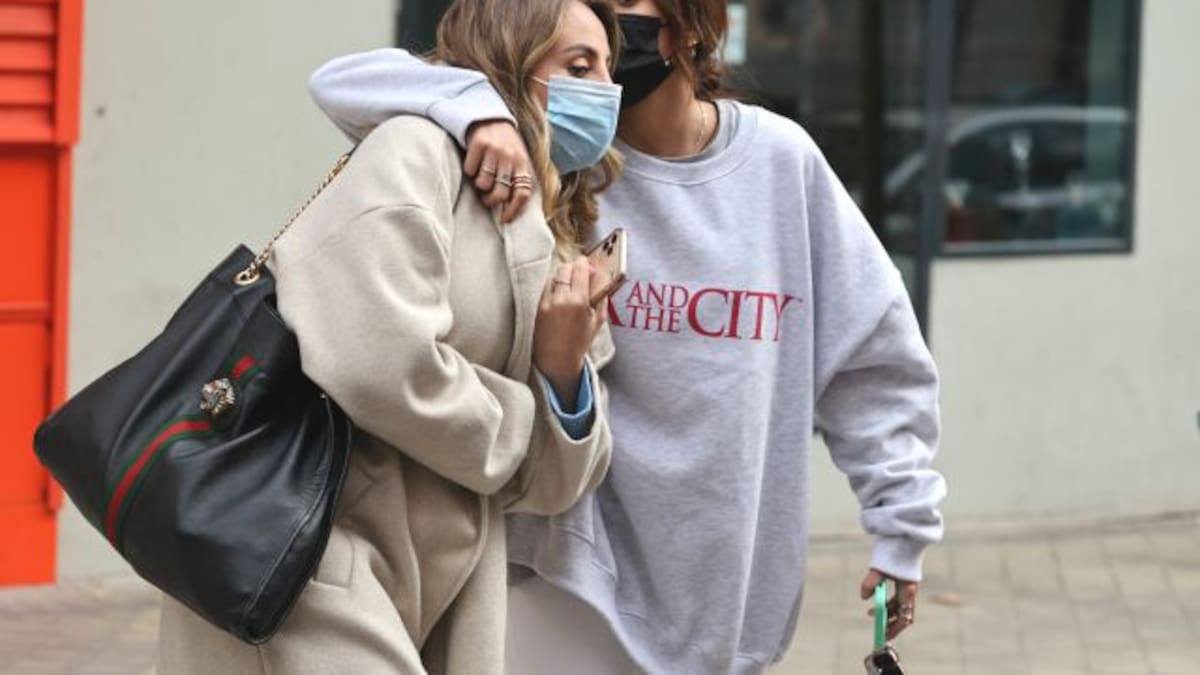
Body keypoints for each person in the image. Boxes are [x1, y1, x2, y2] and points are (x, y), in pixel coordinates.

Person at [309, 1, 948, 673]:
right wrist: (476, 110)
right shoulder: (553, 151)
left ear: (688, 23)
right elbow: (342, 81)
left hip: (729, 593)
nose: (612, 32)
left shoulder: (781, 163)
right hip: (563, 578)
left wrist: (901, 526)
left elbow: (872, 359)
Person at [156, 1, 624, 672]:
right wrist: (521, 426)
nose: (606, 90)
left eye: (608, 68)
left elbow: (549, 486)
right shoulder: (416, 150)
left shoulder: (558, 237)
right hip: (305, 541)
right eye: (580, 67)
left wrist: (563, 371)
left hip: (442, 586)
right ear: (512, 59)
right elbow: (377, 360)